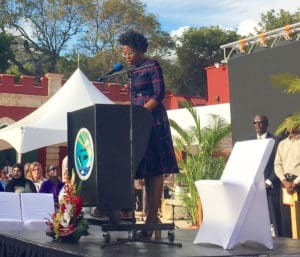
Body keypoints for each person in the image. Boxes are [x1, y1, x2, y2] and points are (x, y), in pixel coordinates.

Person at [118, 30, 179, 238]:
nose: (126, 56)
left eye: (130, 52)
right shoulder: (132, 71)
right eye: (124, 53)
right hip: (137, 120)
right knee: (142, 167)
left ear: (140, 49)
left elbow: (159, 94)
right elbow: (134, 97)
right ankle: (139, 217)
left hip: (152, 119)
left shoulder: (152, 65)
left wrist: (143, 112)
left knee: (155, 169)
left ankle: (153, 217)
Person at [250, 114, 282, 236]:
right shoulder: (250, 141)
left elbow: (279, 163)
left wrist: (269, 182)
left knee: (274, 219)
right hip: (255, 188)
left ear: (267, 124)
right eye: (255, 122)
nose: (258, 125)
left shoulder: (275, 140)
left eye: (261, 122)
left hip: (271, 187)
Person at [274, 124, 300, 238]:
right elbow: (277, 164)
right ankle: (288, 248)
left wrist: (295, 182)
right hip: (285, 183)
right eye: (288, 124)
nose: (291, 127)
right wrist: (284, 181)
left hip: (298, 183)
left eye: (293, 124)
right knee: (286, 217)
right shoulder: (282, 143)